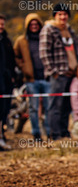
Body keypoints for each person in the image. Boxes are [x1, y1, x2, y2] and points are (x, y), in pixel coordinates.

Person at [40, 3, 78, 140]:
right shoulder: (49, 30)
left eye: (65, 14)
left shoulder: (70, 30)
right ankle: (54, 134)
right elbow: (44, 53)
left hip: (71, 73)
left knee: (67, 106)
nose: (63, 17)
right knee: (55, 105)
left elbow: (76, 51)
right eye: (60, 14)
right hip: (58, 74)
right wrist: (53, 72)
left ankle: (64, 131)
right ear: (55, 16)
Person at [14, 13, 50, 140]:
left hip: (46, 78)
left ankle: (49, 133)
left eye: (36, 24)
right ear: (27, 26)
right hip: (31, 79)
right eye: (31, 24)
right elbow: (15, 56)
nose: (34, 26)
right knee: (33, 108)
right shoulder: (21, 41)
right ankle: (36, 133)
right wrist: (23, 67)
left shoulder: (45, 39)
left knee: (48, 107)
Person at [0, 14, 16, 150]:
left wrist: (12, 76)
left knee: (4, 110)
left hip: (5, 82)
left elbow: (11, 61)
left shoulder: (6, 41)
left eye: (2, 24)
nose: (1, 26)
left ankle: (2, 136)